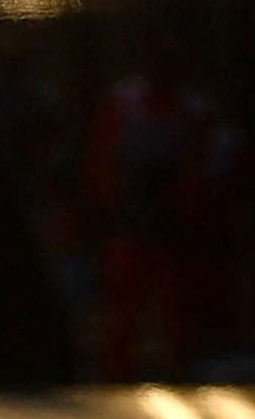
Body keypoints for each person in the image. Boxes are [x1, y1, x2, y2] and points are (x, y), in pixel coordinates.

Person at [86, 39, 224, 381]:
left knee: (177, 300)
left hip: (174, 220)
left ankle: (179, 364)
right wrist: (105, 203)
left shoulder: (195, 111)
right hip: (129, 214)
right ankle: (116, 367)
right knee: (124, 298)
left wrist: (190, 210)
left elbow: (199, 165)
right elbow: (104, 155)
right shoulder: (125, 102)